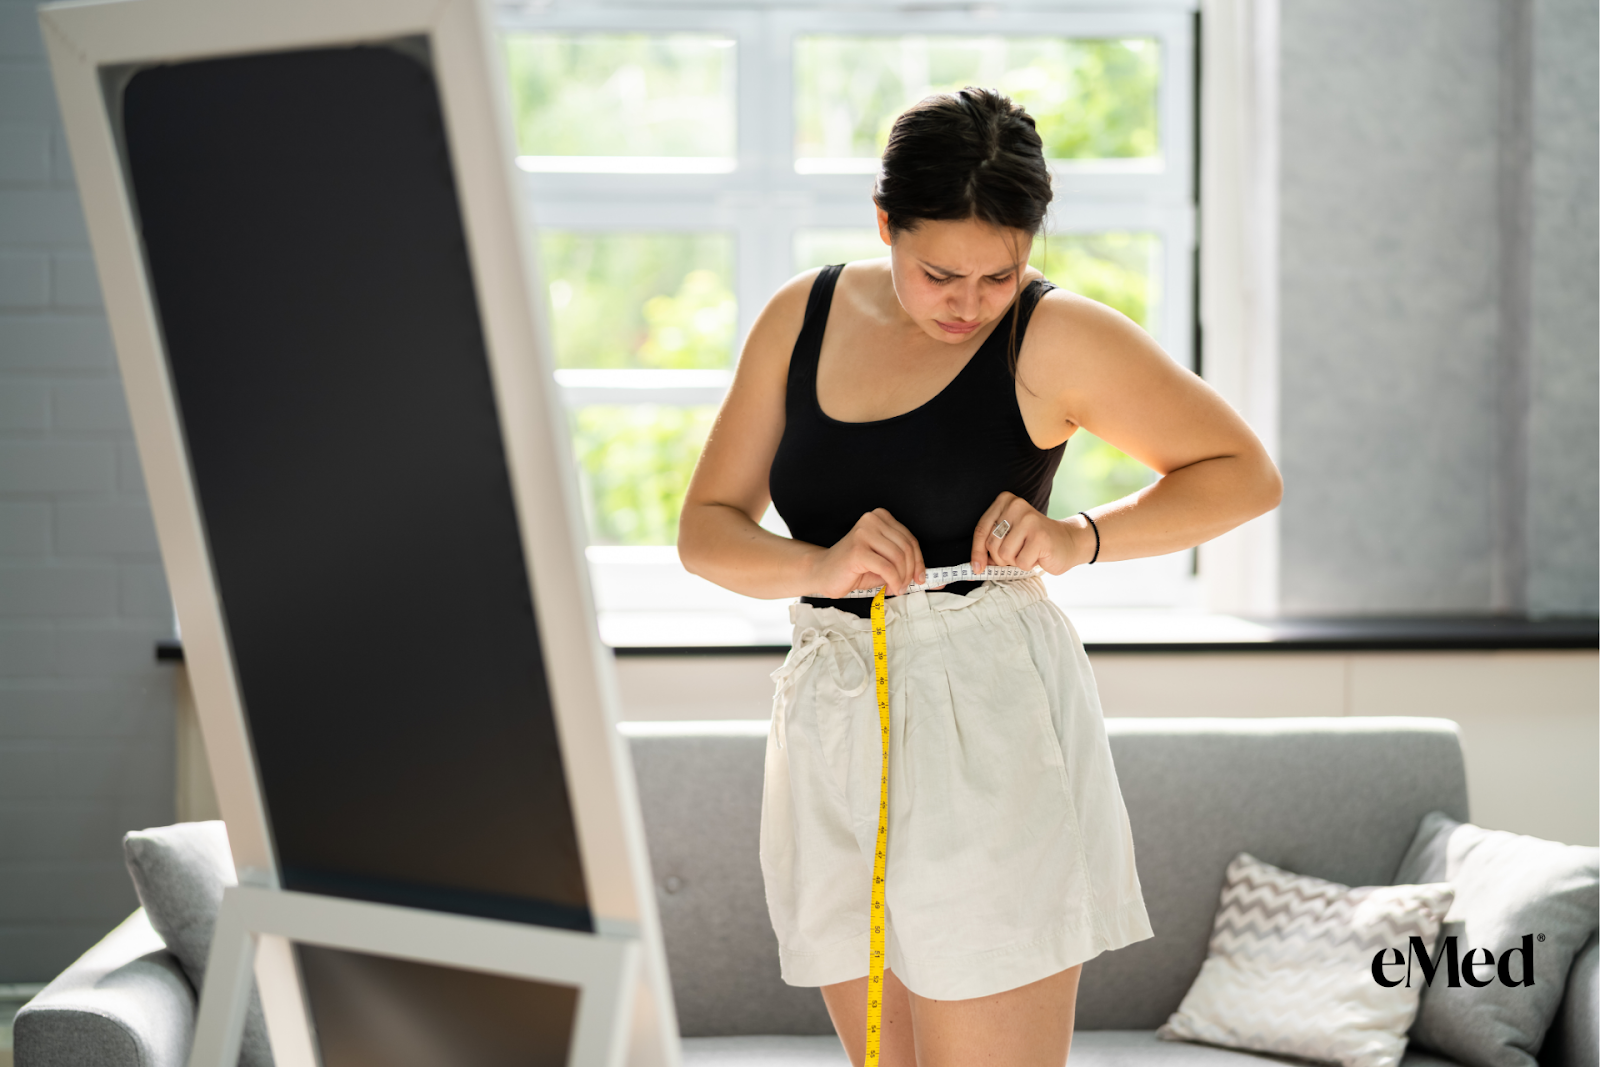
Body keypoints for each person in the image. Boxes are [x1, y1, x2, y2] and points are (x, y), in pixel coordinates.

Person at [677, 86, 1282, 1067]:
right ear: (884, 224)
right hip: (831, 705)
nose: (967, 302)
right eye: (938, 271)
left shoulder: (1054, 336)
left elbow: (1243, 474)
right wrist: (818, 563)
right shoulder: (802, 314)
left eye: (998, 274)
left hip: (987, 713)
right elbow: (706, 530)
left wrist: (1079, 536)